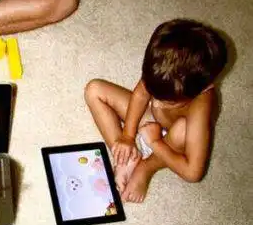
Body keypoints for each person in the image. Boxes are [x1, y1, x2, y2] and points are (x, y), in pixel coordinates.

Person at [84, 19, 228, 203]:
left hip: (172, 140)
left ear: (205, 87)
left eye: (168, 101)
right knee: (94, 89)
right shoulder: (162, 69)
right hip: (150, 121)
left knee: (182, 129)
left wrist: (155, 142)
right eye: (154, 94)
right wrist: (127, 136)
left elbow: (193, 173)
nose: (157, 103)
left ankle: (145, 168)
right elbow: (140, 95)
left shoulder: (202, 105)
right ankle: (125, 159)